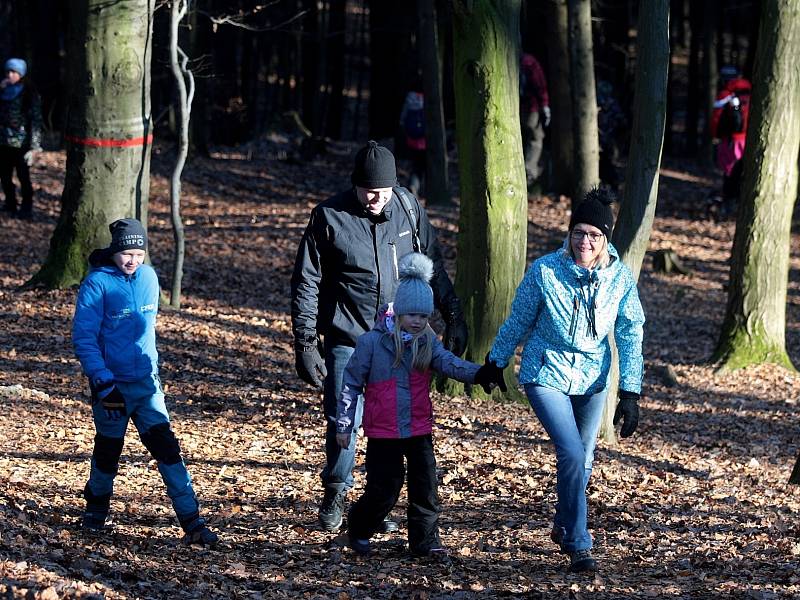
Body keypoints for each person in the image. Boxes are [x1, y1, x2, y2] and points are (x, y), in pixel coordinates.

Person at [291, 140, 469, 533]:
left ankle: (376, 501)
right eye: (370, 190)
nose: (377, 198)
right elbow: (306, 281)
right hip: (348, 335)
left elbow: (432, 265)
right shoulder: (329, 217)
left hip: (397, 340)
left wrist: (452, 313)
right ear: (355, 184)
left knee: (388, 423)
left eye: (383, 191)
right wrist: (305, 343)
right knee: (345, 418)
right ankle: (336, 489)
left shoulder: (407, 208)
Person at [486, 188, 644, 573]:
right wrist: (496, 361)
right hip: (546, 371)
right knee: (572, 453)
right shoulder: (545, 271)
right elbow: (519, 319)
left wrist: (631, 391)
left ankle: (563, 523)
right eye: (579, 232)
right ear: (569, 233)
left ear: (606, 239)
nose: (585, 242)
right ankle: (579, 542)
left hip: (593, 378)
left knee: (584, 459)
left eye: (594, 235)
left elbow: (630, 331)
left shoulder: (619, 279)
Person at [335, 253, 505, 557]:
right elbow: (351, 383)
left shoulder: (427, 343)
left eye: (424, 316)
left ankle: (425, 542)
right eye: (412, 315)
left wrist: (480, 373)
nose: (417, 321)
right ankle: (360, 527)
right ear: (399, 312)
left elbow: (450, 364)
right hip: (383, 431)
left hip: (418, 427)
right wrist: (345, 424)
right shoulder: (372, 343)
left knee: (425, 487)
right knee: (384, 489)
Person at [72, 218, 218, 546]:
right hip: (111, 387)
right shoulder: (97, 284)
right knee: (108, 451)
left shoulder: (150, 277)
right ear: (114, 251)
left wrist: (152, 371)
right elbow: (84, 337)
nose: (132, 259)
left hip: (147, 387)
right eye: (126, 252)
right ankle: (95, 513)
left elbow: (147, 330)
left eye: (139, 253)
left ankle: (193, 523)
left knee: (168, 451)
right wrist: (102, 380)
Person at [0, 57, 42, 219]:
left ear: (21, 74)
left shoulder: (29, 93)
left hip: (21, 144)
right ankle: (10, 204)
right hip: (3, 143)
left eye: (14, 72)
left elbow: (36, 120)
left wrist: (34, 146)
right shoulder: (3, 91)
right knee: (5, 176)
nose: (10, 75)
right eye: (8, 71)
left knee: (23, 177)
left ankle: (26, 208)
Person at [710, 66, 752, 213]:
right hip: (748, 140)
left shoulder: (725, 95)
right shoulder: (750, 92)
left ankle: (729, 205)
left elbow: (716, 120)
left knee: (729, 172)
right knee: (741, 172)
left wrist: (715, 137)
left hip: (731, 142)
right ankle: (739, 204)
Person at [519, 52, 550, 190]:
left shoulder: (504, 57)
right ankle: (529, 172)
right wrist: (544, 106)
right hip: (530, 109)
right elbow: (540, 85)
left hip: (513, 109)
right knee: (535, 139)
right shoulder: (529, 62)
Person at [398, 85, 426, 197]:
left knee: (415, 165)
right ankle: (416, 187)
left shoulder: (410, 98)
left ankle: (414, 186)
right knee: (421, 166)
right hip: (424, 140)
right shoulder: (428, 99)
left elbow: (403, 119)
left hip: (412, 139)